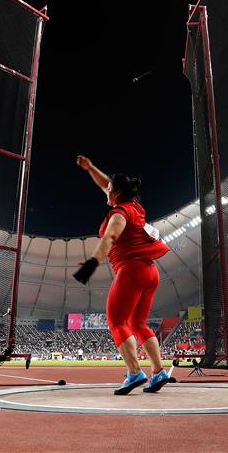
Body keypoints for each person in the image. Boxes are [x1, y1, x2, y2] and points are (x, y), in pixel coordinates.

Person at [73, 156, 171, 395]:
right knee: (138, 323)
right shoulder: (134, 206)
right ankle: (158, 372)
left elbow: (110, 237)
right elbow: (107, 184)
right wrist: (90, 168)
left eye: (109, 190)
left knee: (116, 321)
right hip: (150, 271)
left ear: (116, 193)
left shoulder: (118, 214)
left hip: (132, 270)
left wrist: (92, 262)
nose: (105, 191)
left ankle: (134, 372)